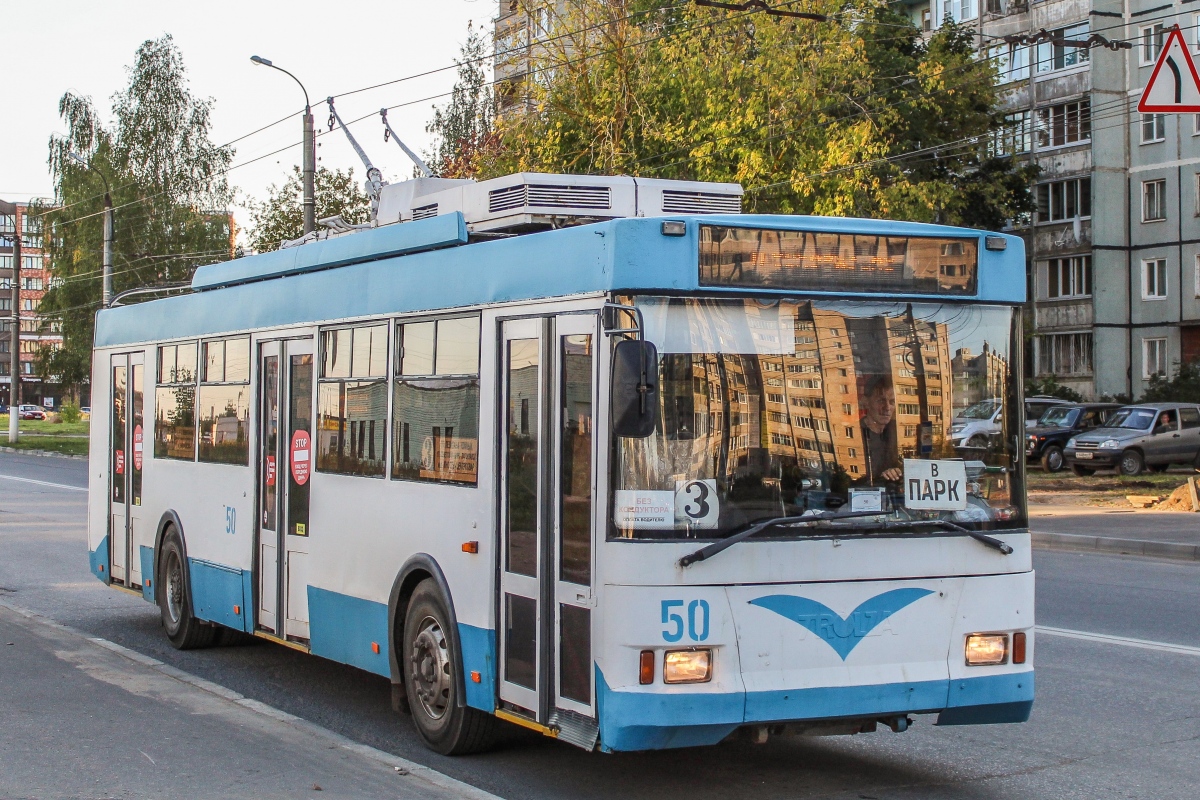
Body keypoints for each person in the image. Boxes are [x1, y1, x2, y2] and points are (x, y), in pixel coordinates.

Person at [860, 374, 902, 483]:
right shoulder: (856, 433)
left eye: (892, 402)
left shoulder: (896, 431)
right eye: (881, 401)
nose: (887, 408)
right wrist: (881, 477)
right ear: (866, 402)